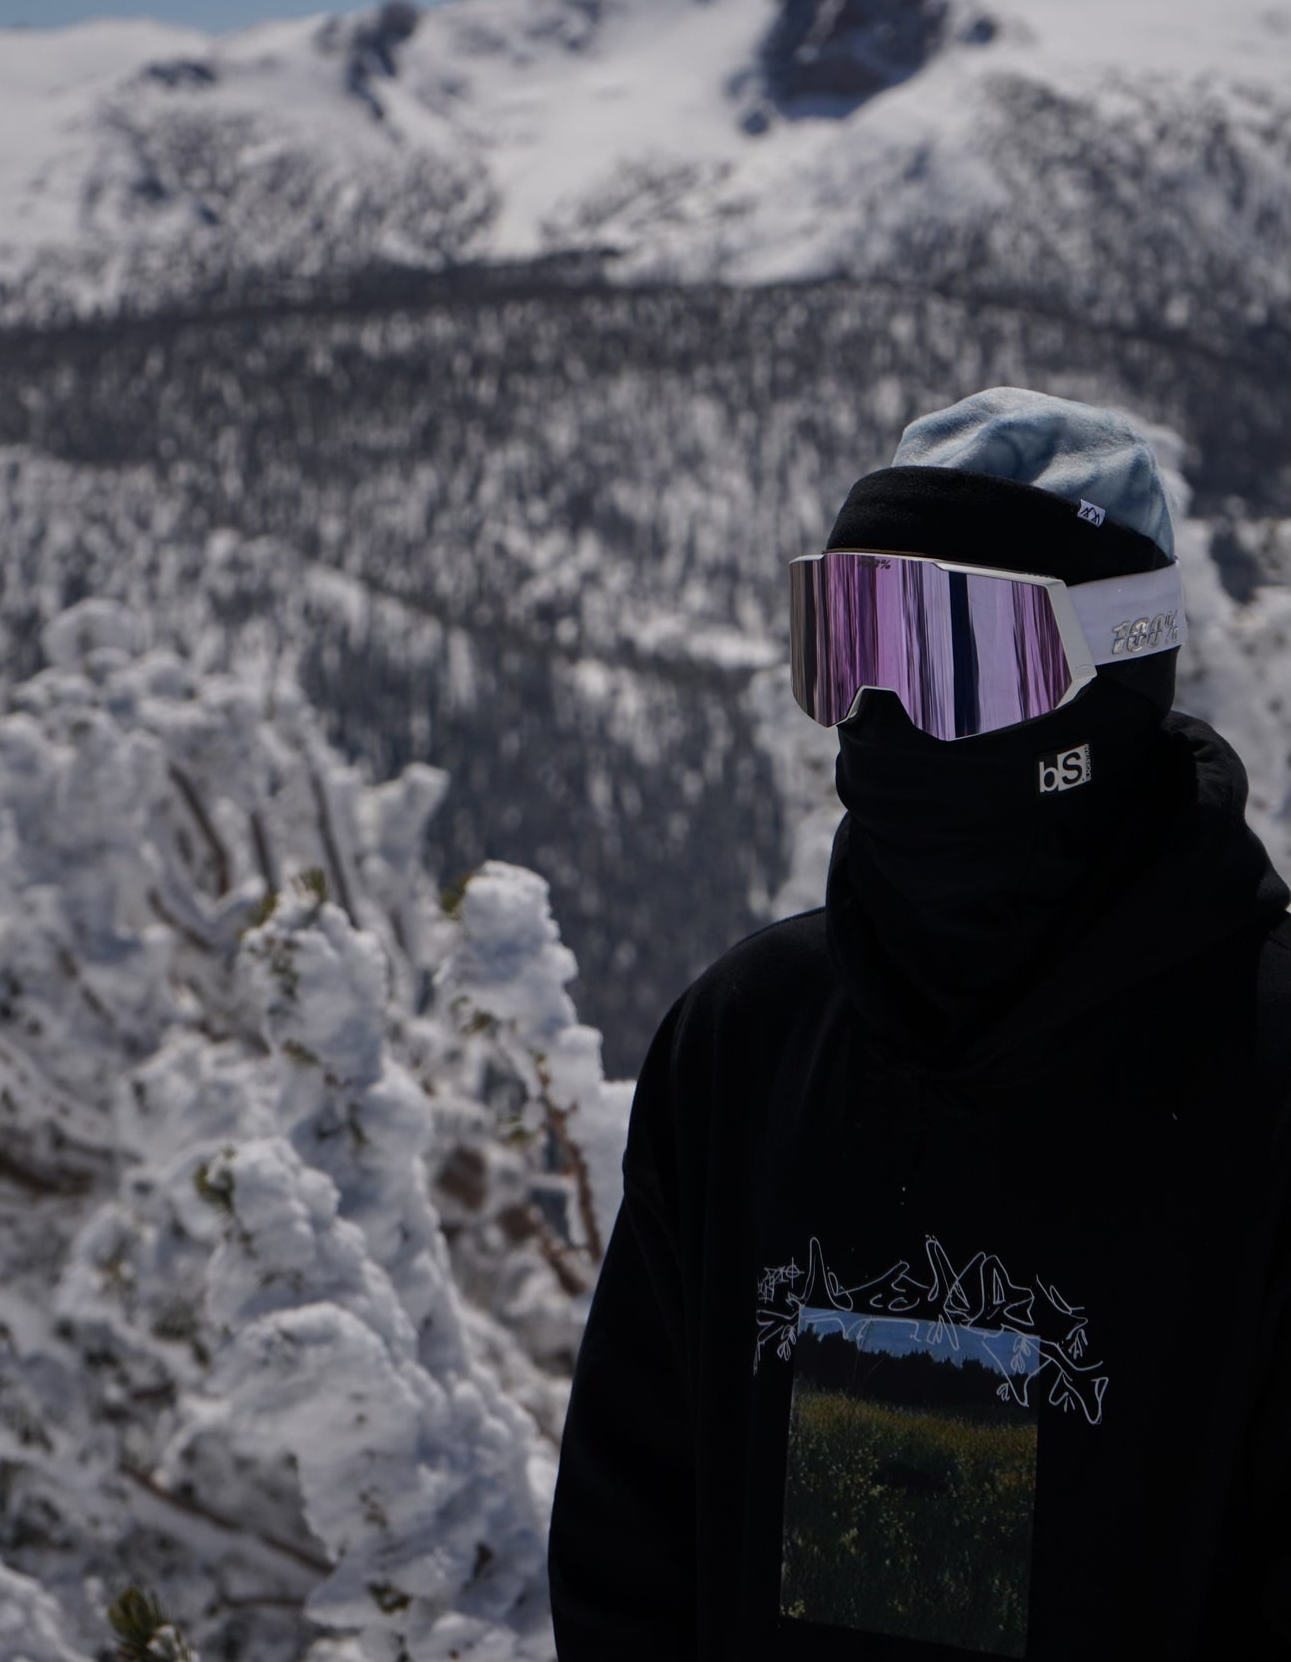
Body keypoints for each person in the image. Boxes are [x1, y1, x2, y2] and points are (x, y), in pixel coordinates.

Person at [547, 386, 1291, 1661]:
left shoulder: (1264, 1069)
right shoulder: (747, 1040)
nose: (880, 708)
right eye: (847, 641)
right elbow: (632, 1528)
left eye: (953, 653)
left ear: (1106, 677)